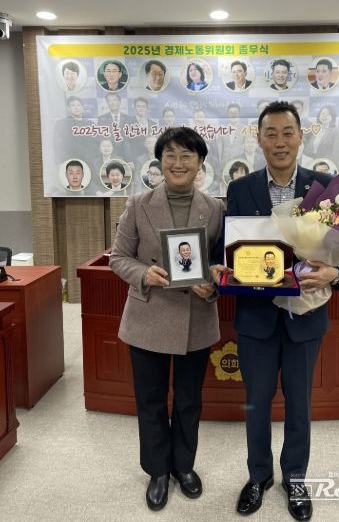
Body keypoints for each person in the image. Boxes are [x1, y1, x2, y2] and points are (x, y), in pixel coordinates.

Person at [224, 101, 339, 521]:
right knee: (256, 402)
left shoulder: (325, 186)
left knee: (299, 404)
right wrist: (223, 266)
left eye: (287, 133)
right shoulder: (241, 189)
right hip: (256, 317)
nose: (280, 142)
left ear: (300, 137)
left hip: (306, 315)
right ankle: (258, 476)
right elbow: (229, 246)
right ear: (259, 139)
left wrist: (335, 272)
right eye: (271, 133)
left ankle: (295, 477)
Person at [109, 126, 224, 512]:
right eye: (170, 155)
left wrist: (213, 285)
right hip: (150, 315)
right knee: (151, 399)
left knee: (190, 400)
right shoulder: (138, 204)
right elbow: (118, 258)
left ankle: (183, 466)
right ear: (159, 161)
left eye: (187, 155)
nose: (178, 162)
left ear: (200, 162)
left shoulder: (215, 208)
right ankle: (158, 470)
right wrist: (144, 273)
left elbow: (219, 265)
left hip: (196, 316)